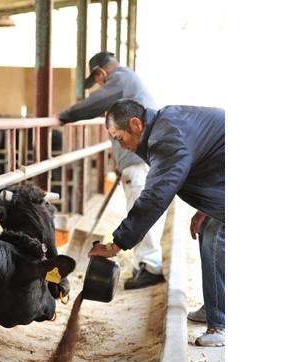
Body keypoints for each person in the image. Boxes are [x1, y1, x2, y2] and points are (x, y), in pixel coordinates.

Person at [88, 99, 225, 347]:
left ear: (135, 124)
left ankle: (219, 325)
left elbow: (155, 196)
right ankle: (216, 305)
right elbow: (210, 162)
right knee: (209, 228)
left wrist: (116, 244)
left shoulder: (166, 137)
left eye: (119, 138)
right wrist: (205, 208)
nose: (122, 146)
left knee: (215, 234)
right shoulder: (164, 127)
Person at [58, 51, 167, 290]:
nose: (99, 86)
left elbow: (94, 103)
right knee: (140, 205)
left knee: (140, 206)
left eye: (97, 82)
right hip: (139, 157)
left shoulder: (120, 79)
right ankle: (146, 263)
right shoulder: (129, 80)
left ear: (100, 73)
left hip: (138, 159)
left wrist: (63, 116)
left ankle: (150, 266)